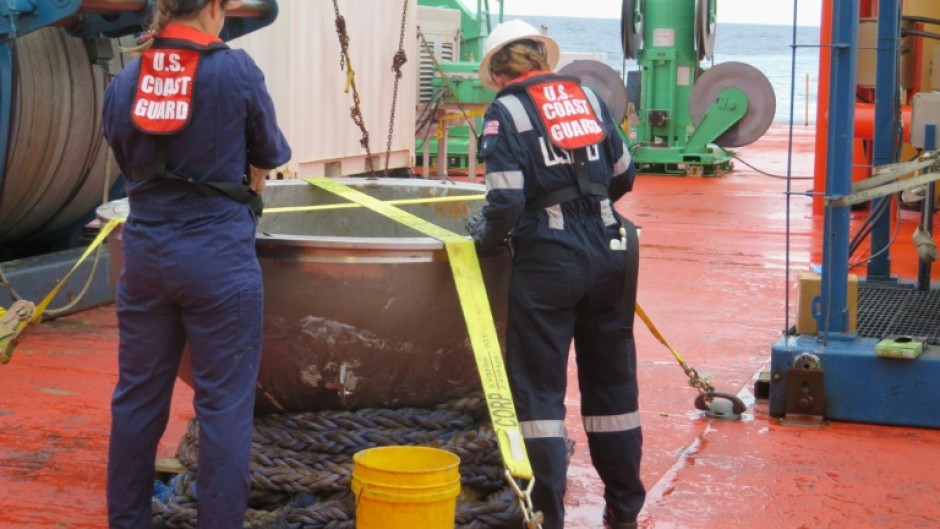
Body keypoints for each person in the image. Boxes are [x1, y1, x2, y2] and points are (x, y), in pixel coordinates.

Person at [101, 0, 291, 527]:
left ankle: (127, 520)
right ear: (214, 7)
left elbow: (122, 152)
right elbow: (270, 152)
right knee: (224, 406)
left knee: (137, 398)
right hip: (218, 256)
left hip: (144, 255)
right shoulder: (235, 70)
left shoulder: (126, 78)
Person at [465, 19, 645, 529]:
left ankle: (547, 518)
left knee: (540, 394)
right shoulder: (586, 97)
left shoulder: (508, 109)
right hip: (612, 257)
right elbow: (624, 174)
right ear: (542, 59)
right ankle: (624, 512)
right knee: (614, 391)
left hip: (549, 261)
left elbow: (503, 201)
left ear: (500, 73)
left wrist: (483, 246)